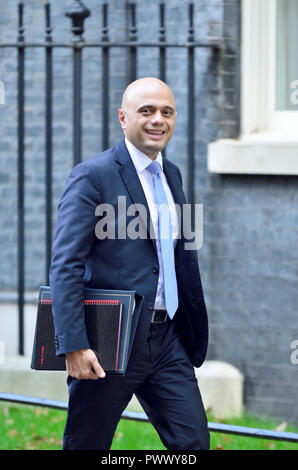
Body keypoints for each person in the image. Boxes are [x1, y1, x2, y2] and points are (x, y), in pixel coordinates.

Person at [49, 77, 209, 450]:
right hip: (110, 342)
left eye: (166, 112)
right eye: (146, 111)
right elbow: (66, 264)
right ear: (123, 117)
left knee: (194, 444)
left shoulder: (171, 174)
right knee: (87, 444)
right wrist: (73, 344)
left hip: (167, 339)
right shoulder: (94, 176)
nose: (158, 120)